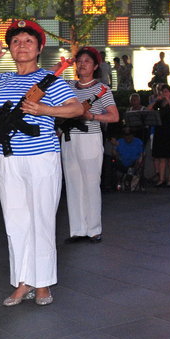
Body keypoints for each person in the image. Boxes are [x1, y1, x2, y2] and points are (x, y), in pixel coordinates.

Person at [0, 19, 81, 307]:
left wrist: (44, 109)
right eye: (16, 42)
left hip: (42, 158)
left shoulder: (51, 81)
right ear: (11, 50)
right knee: (16, 222)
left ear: (39, 48)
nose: (22, 46)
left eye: (28, 41)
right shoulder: (2, 79)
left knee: (42, 220)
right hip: (7, 158)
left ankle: (42, 285)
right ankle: (22, 282)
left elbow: (77, 107)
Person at [62, 46, 119, 244]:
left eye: (87, 61)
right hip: (69, 138)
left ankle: (94, 229)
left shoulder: (101, 89)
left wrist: (91, 115)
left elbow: (114, 116)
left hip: (90, 136)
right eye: (80, 61)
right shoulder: (67, 85)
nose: (82, 64)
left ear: (95, 66)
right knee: (73, 183)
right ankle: (77, 229)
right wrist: (62, 66)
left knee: (91, 183)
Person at [148, 84, 170, 187]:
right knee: (161, 157)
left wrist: (168, 100)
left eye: (166, 91)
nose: (164, 93)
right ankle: (162, 179)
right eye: (163, 91)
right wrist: (156, 100)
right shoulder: (158, 103)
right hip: (160, 130)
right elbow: (148, 110)